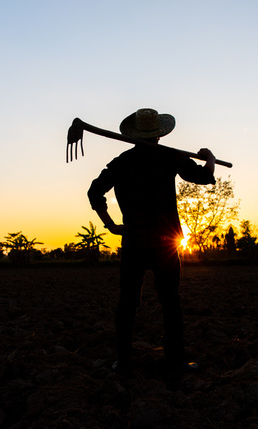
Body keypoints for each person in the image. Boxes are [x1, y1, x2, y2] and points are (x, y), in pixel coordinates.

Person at [87, 108, 216, 377]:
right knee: (170, 302)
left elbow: (94, 190)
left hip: (134, 241)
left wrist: (110, 225)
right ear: (159, 133)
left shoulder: (122, 161)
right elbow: (203, 177)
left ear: (134, 135)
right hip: (166, 243)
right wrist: (210, 158)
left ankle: (123, 363)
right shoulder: (170, 157)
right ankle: (176, 363)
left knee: (127, 303)